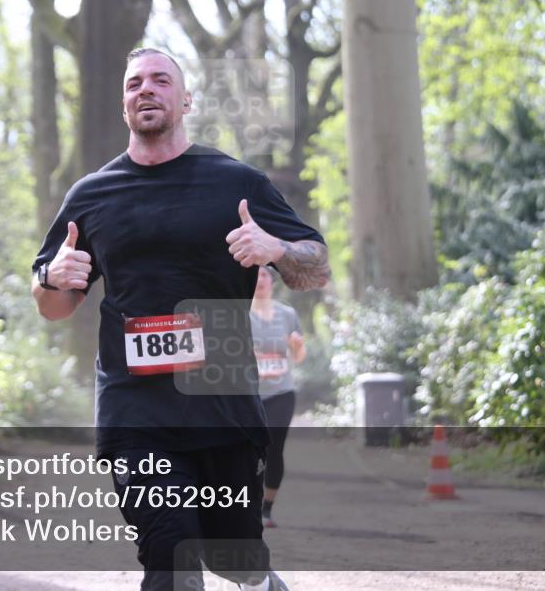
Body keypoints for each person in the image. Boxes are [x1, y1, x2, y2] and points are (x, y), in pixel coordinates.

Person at [31, 48, 330, 591]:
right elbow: (53, 306)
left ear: (185, 98)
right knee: (170, 553)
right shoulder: (92, 195)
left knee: (234, 555)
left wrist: (275, 247)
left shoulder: (235, 183)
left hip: (222, 402)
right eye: (134, 84)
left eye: (160, 80)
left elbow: (317, 268)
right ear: (124, 104)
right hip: (135, 407)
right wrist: (53, 277)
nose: (145, 89)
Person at [249, 266, 304, 529]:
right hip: (249, 393)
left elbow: (299, 356)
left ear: (272, 282)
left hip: (282, 391)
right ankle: (247, 504)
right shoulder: (240, 314)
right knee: (248, 451)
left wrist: (297, 345)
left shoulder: (287, 314)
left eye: (264, 275)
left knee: (273, 448)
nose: (260, 280)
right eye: (255, 275)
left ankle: (266, 509)